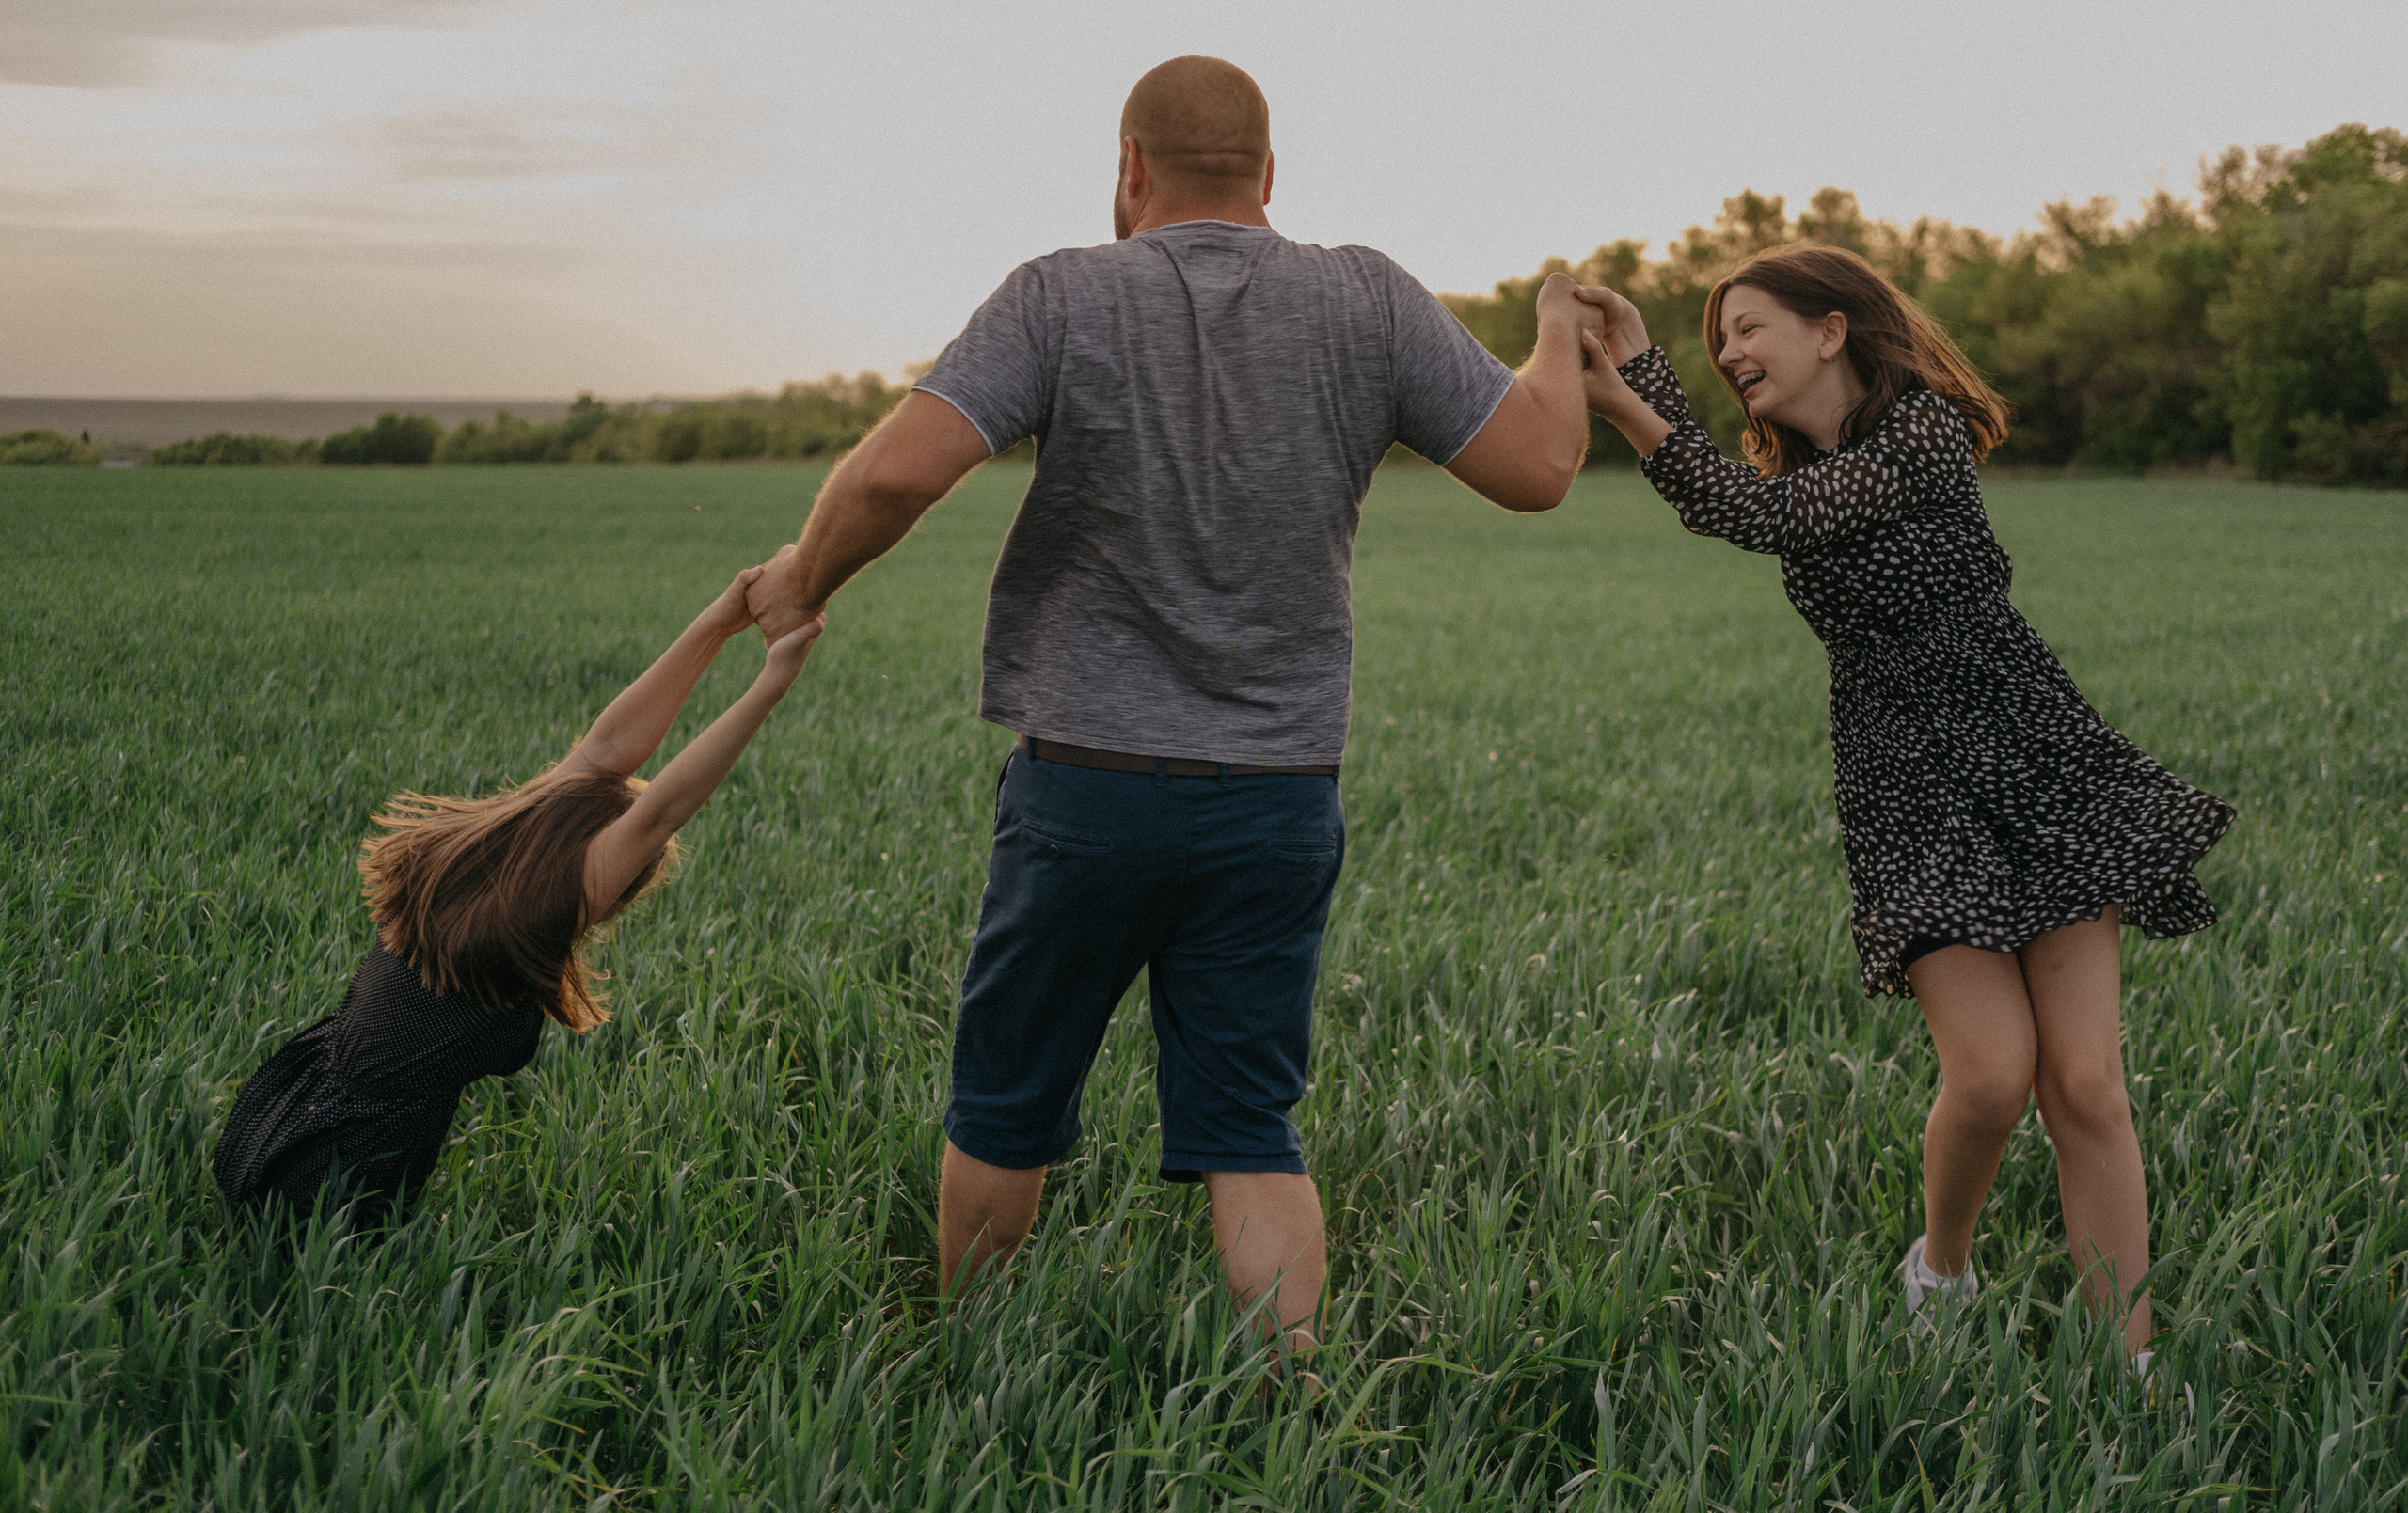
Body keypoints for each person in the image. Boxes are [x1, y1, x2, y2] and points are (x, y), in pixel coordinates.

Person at [745, 55, 1601, 1351]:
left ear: (1128, 171)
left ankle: (967, 1366)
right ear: (1268, 173)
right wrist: (1552, 323)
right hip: (1275, 796)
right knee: (1251, 1122)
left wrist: (803, 578)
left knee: (1006, 1100)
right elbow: (1541, 464)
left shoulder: (1062, 292)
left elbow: (893, 477)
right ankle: (1292, 1404)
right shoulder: (1368, 295)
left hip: (1085, 785)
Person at [1574, 247, 2233, 1363]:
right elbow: (1741, 504)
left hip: (2030, 756)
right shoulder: (1796, 475)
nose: (1729, 352)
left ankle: (2131, 1374)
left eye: (1747, 327)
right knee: (1986, 1076)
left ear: (1829, 330)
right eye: (1715, 337)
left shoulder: (1919, 433)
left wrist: (1632, 393)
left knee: (2084, 1084)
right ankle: (1941, 1269)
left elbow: (1752, 515)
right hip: (1905, 787)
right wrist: (1632, 372)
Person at [212, 571, 822, 1218]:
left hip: (272, 1121)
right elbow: (658, 812)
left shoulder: (480, 871)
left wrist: (717, 623)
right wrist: (770, 684)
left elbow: (602, 753)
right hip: (329, 1178)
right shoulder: (527, 921)